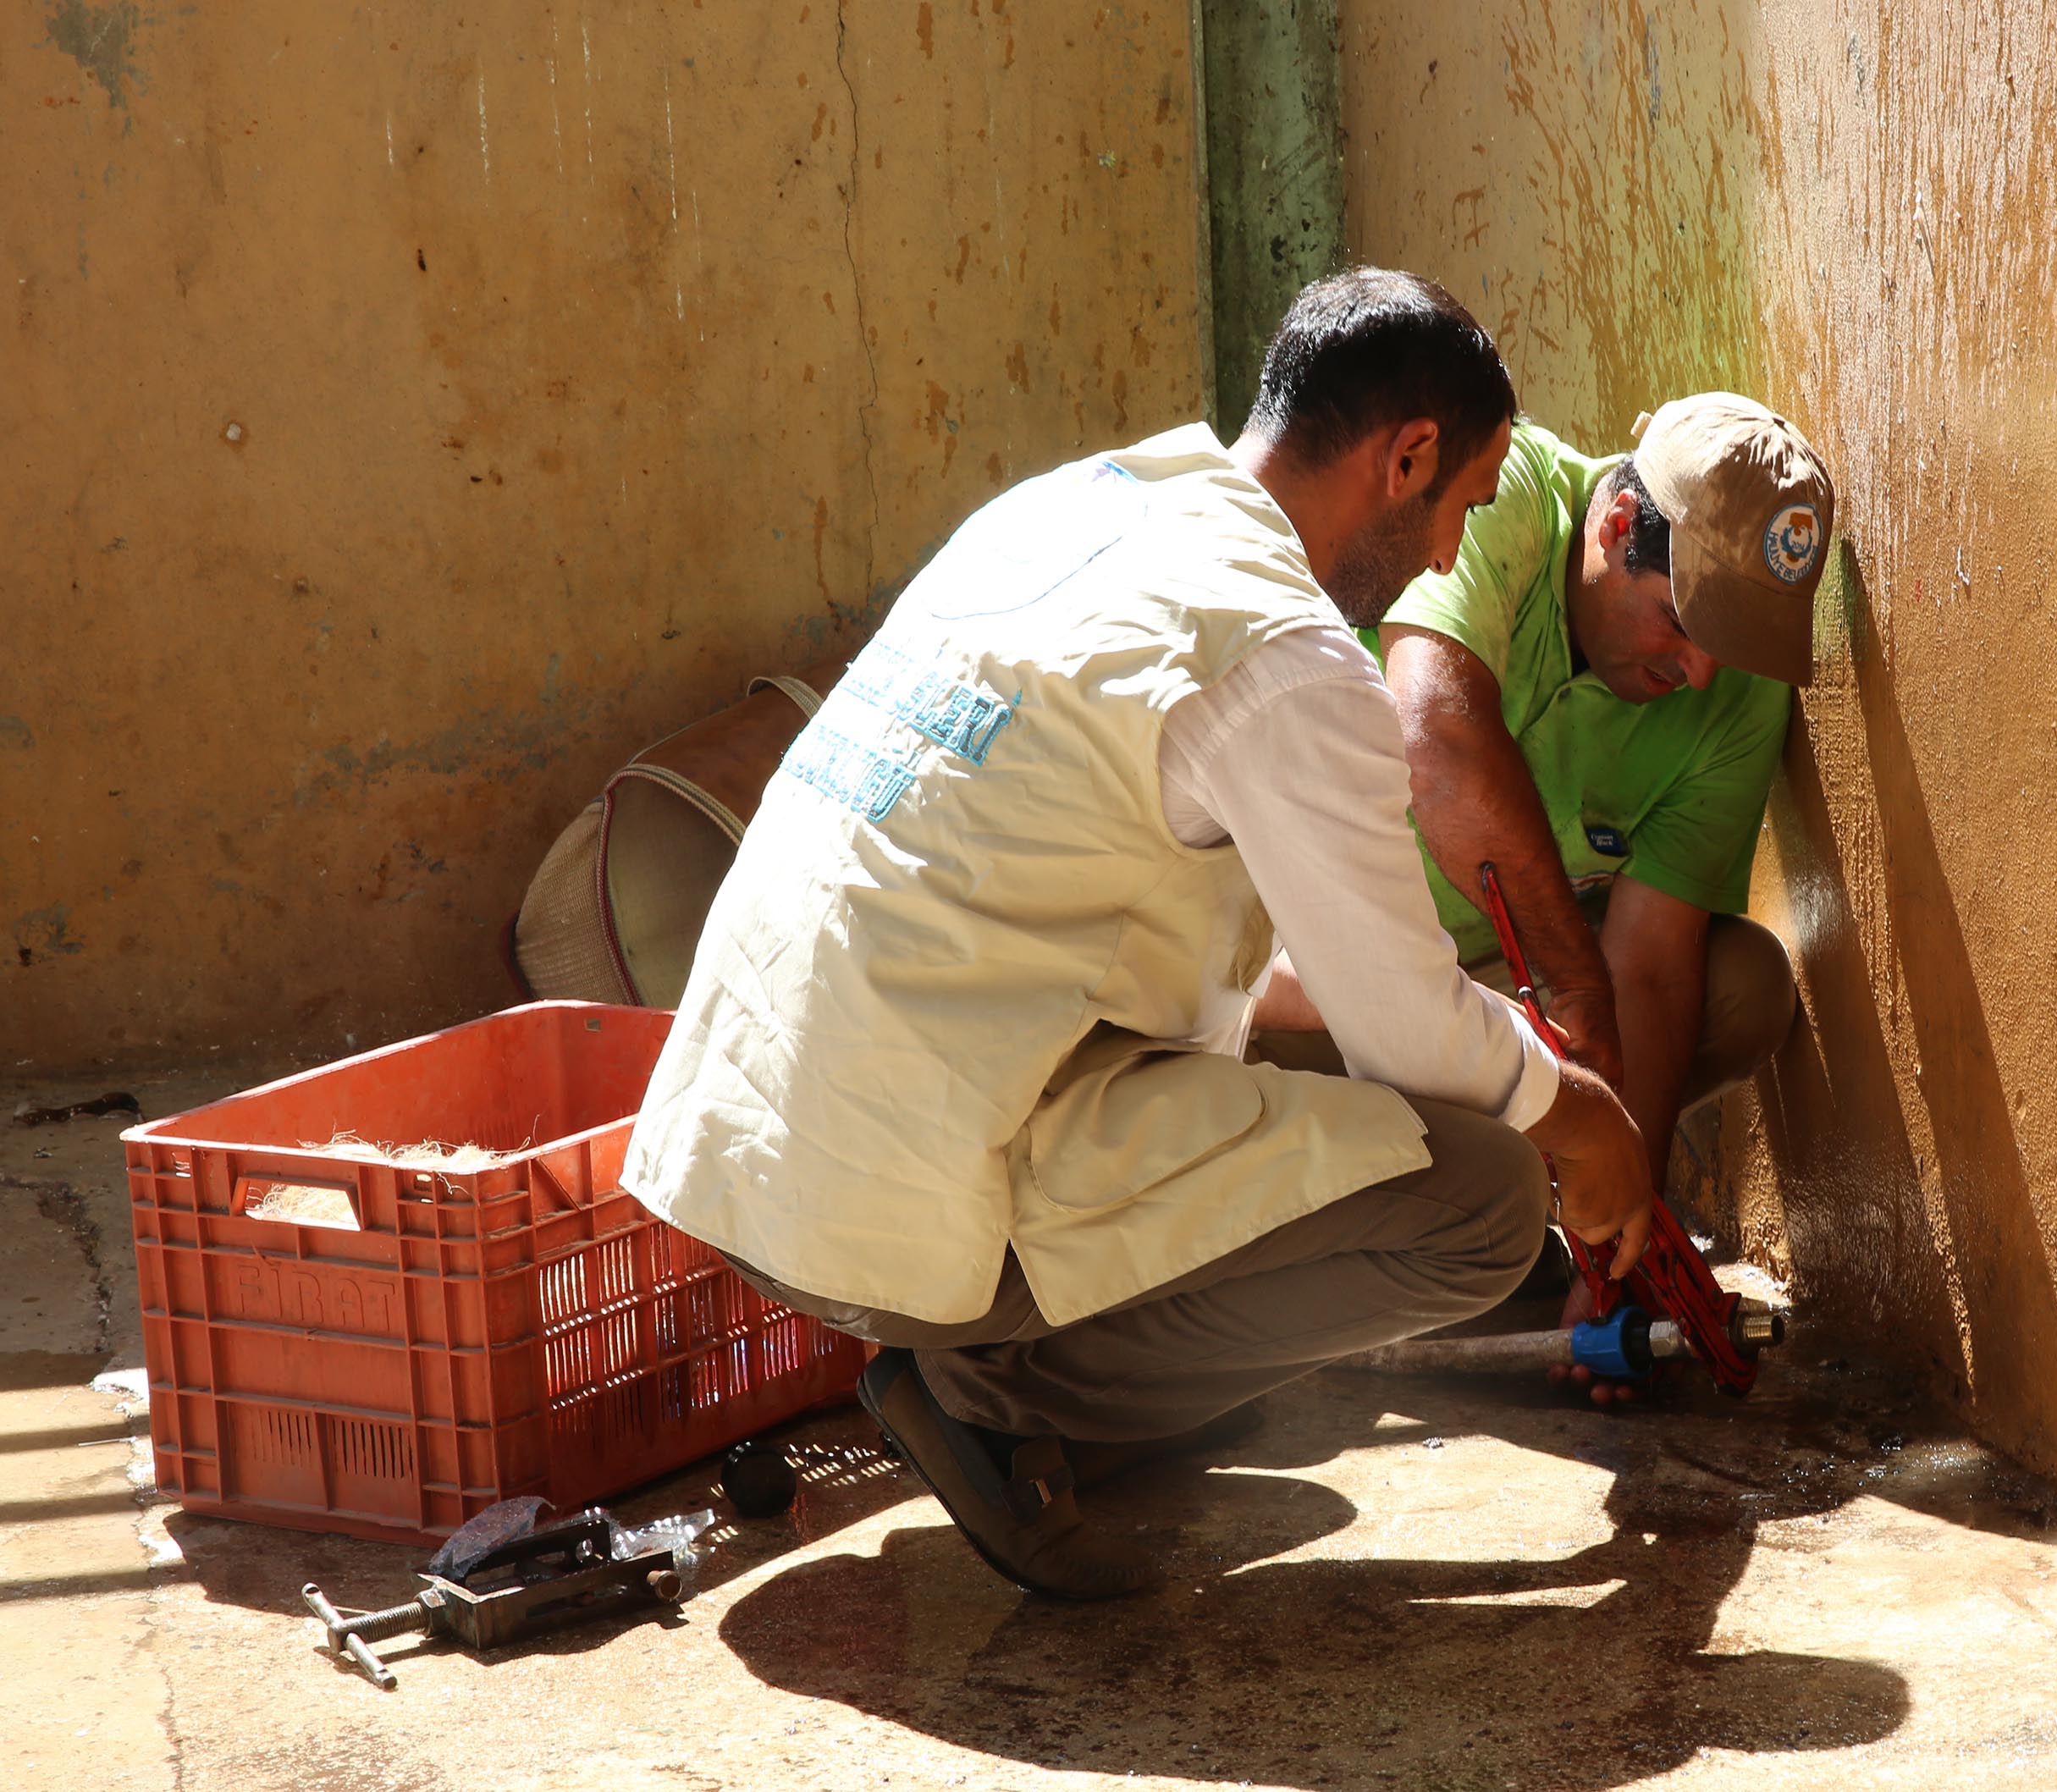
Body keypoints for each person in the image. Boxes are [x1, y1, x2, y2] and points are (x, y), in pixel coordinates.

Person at [622, 269, 1653, 1602]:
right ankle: (998, 1398)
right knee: (1485, 1198)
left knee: (1321, 1142)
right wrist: (1584, 1119)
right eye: (1461, 504)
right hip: (889, 1210)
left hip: (738, 1152)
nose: (1450, 556)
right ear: (1406, 457)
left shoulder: (1073, 508)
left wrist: (1441, 1020)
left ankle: (1056, 1384)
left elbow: (1169, 937)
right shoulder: (1282, 652)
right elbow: (1412, 1038)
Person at [1257, 396, 1837, 1200]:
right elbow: (1436, 746)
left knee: (1744, 986)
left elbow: (1654, 968)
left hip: (1482, 986)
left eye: (1732, 644)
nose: (1702, 675)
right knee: (1228, 1038)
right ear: (1617, 524)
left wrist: (1627, 1199)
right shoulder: (1500, 496)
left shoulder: (1742, 692)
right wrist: (1578, 985)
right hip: (1297, 965)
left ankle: (1523, 1201)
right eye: (1681, 621)